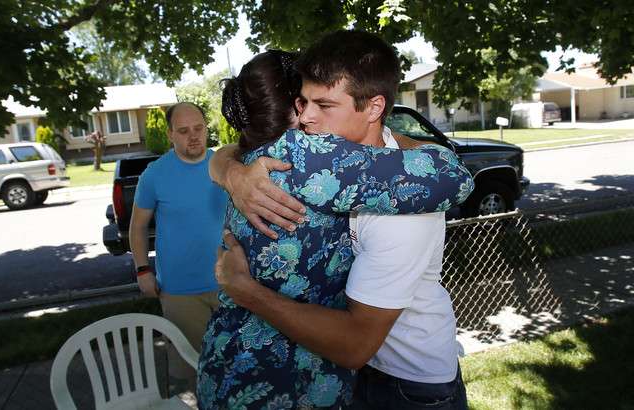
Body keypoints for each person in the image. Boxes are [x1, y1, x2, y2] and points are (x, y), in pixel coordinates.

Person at [198, 39, 472, 409]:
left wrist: (228, 169)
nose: (310, 116)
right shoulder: (306, 154)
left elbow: (220, 155)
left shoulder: (254, 157)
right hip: (293, 378)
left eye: (323, 104)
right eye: (304, 103)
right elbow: (453, 176)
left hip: (399, 377)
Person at [129, 102, 227, 395]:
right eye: (183, 131)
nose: (193, 136)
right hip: (181, 292)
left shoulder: (224, 166)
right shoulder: (154, 175)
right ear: (170, 134)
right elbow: (137, 227)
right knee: (195, 373)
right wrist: (142, 269)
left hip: (231, 285)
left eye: (199, 128)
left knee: (236, 368)